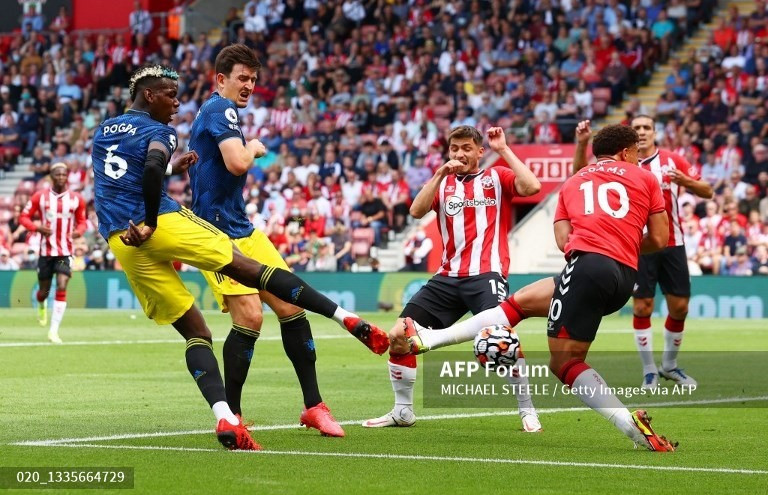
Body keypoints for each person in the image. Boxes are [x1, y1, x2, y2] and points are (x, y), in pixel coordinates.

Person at [90, 64, 388, 451]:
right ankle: (346, 319)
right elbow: (152, 167)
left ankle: (228, 419)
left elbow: (122, 176)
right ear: (149, 95)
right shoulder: (166, 128)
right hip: (160, 221)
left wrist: (166, 173)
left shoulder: (104, 130)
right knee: (249, 275)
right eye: (170, 94)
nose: (177, 102)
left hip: (120, 236)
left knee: (197, 333)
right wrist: (150, 218)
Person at [395, 125, 676, 452]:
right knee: (521, 303)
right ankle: (429, 338)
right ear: (627, 152)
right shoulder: (645, 178)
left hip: (586, 266)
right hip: (624, 277)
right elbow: (659, 239)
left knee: (564, 364)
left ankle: (632, 428)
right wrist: (622, 244)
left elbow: (562, 242)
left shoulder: (573, 182)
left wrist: (597, 247)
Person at [188, 44, 348, 438]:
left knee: (292, 307)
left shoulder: (223, 112)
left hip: (243, 227)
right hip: (215, 233)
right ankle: (233, 417)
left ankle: (314, 406)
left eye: (254, 80)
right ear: (221, 79)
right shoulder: (219, 109)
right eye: (242, 78)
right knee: (251, 315)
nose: (249, 86)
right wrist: (255, 147)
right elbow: (238, 162)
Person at [363, 126, 544, 432]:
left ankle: (527, 409)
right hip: (446, 278)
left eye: (467, 148)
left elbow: (532, 187)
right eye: (455, 148)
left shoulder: (496, 177)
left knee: (502, 338)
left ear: (478, 151)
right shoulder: (443, 183)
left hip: (486, 274)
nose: (460, 154)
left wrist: (503, 149)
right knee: (397, 335)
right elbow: (416, 211)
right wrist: (437, 175)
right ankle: (403, 411)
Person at [575, 117, 713, 389]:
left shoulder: (673, 161)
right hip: (639, 244)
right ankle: (649, 369)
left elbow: (707, 191)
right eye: (637, 129)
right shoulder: (622, 164)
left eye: (646, 128)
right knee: (642, 306)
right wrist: (581, 144)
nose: (642, 133)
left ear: (655, 132)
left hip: (673, 244)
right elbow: (580, 173)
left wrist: (686, 180)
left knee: (680, 307)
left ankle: (670, 366)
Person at [19, 163, 86, 344]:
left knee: (62, 285)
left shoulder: (76, 199)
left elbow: (82, 222)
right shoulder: (39, 197)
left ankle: (54, 331)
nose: (61, 177)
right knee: (44, 291)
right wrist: (37, 227)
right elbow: (23, 218)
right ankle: (41, 303)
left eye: (64, 174)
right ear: (51, 176)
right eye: (58, 174)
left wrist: (78, 232)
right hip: (46, 251)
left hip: (65, 251)